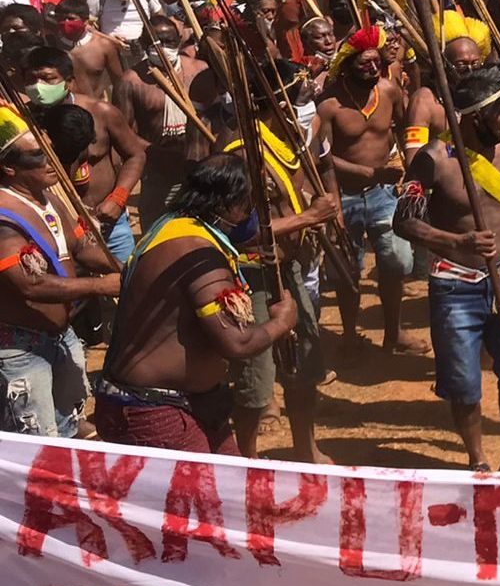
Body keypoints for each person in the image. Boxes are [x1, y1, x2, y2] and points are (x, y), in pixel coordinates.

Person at [394, 67, 500, 472]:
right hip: (454, 286)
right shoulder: (434, 160)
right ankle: (477, 461)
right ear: (475, 114)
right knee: (464, 385)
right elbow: (404, 221)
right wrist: (457, 242)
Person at [94, 154, 298, 455]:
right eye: (250, 203)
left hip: (192, 404)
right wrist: (282, 322)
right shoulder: (198, 254)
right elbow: (237, 343)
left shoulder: (175, 227)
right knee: (199, 500)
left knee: (229, 490)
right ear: (228, 204)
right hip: (155, 409)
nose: (251, 213)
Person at [222, 59, 341, 464]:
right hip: (252, 275)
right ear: (273, 103)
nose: (301, 104)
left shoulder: (281, 145)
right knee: (255, 382)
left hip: (288, 270)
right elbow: (238, 231)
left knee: (303, 364)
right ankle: (249, 462)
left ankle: (306, 450)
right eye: (294, 96)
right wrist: (309, 217)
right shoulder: (242, 155)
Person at [0, 104, 120, 439]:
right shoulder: (3, 217)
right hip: (21, 349)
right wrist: (101, 287)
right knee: (38, 443)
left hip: (59, 338)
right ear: (10, 167)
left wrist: (126, 268)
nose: (52, 160)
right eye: (39, 155)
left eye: (50, 149)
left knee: (67, 428)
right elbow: (30, 286)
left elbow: (80, 247)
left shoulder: (46, 196)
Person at [315, 24, 426, 355]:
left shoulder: (390, 91)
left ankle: (394, 333)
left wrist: (410, 167)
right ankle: (350, 337)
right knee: (347, 270)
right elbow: (321, 157)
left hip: (384, 193)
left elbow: (409, 129)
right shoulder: (330, 105)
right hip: (344, 196)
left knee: (396, 262)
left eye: (376, 62)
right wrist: (354, 179)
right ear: (348, 65)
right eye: (364, 63)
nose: (372, 68)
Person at [25, 47, 147, 264]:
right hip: (58, 228)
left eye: (47, 79)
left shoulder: (102, 113)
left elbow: (135, 155)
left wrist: (118, 198)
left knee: (126, 280)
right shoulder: (22, 123)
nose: (39, 87)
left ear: (69, 81)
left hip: (110, 222)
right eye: (32, 80)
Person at [115, 15, 219, 228]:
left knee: (202, 223)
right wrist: (157, 153)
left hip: (201, 166)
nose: (162, 48)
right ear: (144, 44)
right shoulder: (131, 81)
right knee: (156, 226)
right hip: (158, 169)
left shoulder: (200, 70)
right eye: (155, 42)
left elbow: (217, 115)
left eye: (169, 41)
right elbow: (123, 133)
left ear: (179, 40)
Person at [52, 0, 120, 101]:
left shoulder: (103, 46)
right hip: (67, 109)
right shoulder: (52, 45)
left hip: (98, 106)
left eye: (71, 18)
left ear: (85, 21)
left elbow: (119, 81)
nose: (65, 22)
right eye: (61, 19)